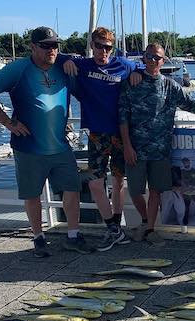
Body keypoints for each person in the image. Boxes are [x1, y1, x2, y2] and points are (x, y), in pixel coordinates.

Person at [0, 27, 94, 257]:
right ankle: (38, 238)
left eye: (55, 45)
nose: (52, 50)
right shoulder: (19, 69)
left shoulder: (63, 67)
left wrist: (68, 59)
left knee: (72, 189)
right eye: (46, 45)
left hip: (60, 146)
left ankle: (73, 235)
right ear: (32, 46)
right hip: (29, 146)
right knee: (32, 194)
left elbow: (89, 89)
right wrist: (9, 123)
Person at [118, 43, 195, 243]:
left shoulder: (170, 86)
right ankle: (146, 220)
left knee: (155, 191)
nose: (152, 61)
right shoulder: (131, 83)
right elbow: (122, 117)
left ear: (163, 61)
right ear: (143, 58)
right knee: (135, 191)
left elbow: (192, 104)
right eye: (149, 56)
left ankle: (150, 229)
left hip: (161, 150)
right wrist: (127, 146)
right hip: (135, 149)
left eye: (157, 58)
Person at [61, 27, 142, 251]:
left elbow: (146, 66)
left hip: (121, 133)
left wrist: (139, 72)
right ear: (92, 46)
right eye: (99, 46)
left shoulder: (123, 65)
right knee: (96, 183)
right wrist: (67, 59)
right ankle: (114, 229)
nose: (103, 51)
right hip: (97, 133)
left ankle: (115, 225)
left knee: (118, 182)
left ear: (112, 48)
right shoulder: (83, 66)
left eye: (107, 47)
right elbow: (53, 56)